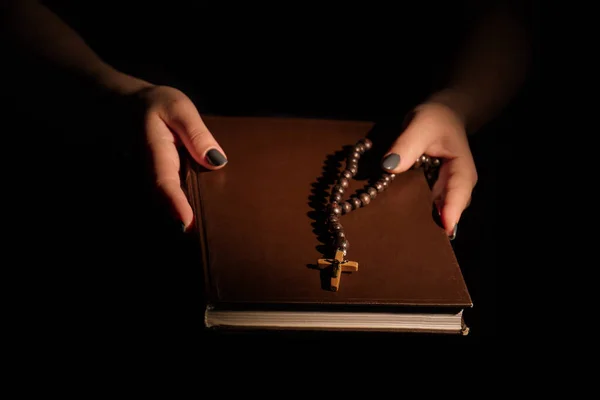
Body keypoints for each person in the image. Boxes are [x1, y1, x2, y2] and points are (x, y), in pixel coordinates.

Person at [1, 0, 530, 238]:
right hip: (121, 158)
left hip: (392, 141)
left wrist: (462, 103)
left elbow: (510, 15)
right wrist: (109, 88)